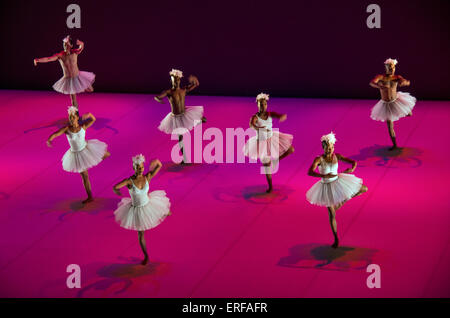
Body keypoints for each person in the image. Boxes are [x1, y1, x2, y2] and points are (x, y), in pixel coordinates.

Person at [306, 132, 367, 248]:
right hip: (326, 187)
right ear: (323, 148)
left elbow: (354, 162)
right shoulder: (319, 159)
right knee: (332, 214)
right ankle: (336, 239)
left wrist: (352, 168)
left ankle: (342, 202)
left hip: (338, 181)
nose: (330, 149)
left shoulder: (337, 156)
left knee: (364, 188)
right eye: (327, 147)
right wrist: (323, 176)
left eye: (332, 147)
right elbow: (310, 172)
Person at [113, 155, 171, 265]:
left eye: (142, 168)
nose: (140, 170)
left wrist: (156, 160)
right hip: (137, 210)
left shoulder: (147, 177)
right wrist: (116, 191)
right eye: (138, 168)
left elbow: (159, 165)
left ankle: (165, 211)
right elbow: (115, 187)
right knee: (141, 235)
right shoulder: (129, 181)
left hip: (148, 204)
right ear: (133, 167)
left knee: (162, 209)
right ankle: (146, 256)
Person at [47, 106, 110, 204]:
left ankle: (93, 161)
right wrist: (49, 139)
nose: (71, 119)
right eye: (69, 117)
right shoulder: (67, 129)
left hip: (86, 149)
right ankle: (90, 197)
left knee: (106, 154)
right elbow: (56, 133)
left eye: (73, 117)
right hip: (76, 155)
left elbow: (93, 119)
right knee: (85, 176)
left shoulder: (83, 127)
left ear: (77, 117)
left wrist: (89, 114)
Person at [243, 93, 294, 193]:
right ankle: (270, 186)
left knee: (291, 149)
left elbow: (276, 114)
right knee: (266, 166)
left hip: (272, 138)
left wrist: (281, 116)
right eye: (261, 104)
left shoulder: (270, 114)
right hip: (261, 143)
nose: (263, 106)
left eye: (265, 104)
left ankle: (276, 160)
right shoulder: (255, 117)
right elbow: (251, 125)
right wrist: (258, 128)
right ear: (257, 105)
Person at [154, 69, 206, 164]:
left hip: (185, 114)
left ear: (180, 80)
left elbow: (195, 85)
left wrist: (195, 81)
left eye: (178, 79)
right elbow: (158, 96)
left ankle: (199, 120)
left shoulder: (183, 90)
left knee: (200, 119)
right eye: (174, 79)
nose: (176, 81)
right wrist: (159, 99)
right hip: (175, 118)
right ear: (171, 80)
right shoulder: (169, 92)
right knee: (181, 138)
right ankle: (185, 159)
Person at [34, 35, 95, 108]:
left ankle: (80, 88)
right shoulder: (60, 55)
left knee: (91, 90)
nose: (65, 45)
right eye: (64, 44)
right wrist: (38, 60)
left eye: (67, 44)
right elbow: (48, 59)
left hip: (78, 76)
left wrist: (81, 43)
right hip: (69, 80)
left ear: (71, 45)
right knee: (73, 99)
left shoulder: (75, 52)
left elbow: (81, 48)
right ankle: (76, 115)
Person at [370, 58, 416, 150]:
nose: (392, 69)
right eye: (390, 67)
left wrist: (404, 83)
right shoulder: (380, 77)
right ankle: (395, 145)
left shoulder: (397, 77)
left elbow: (406, 81)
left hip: (396, 101)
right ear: (386, 67)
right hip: (386, 104)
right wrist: (379, 86)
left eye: (393, 67)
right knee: (390, 125)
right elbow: (372, 83)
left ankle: (406, 111)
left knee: (409, 114)